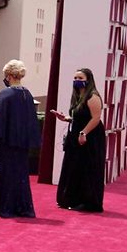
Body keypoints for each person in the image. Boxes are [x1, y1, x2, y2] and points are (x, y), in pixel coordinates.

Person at [0, 60, 41, 219]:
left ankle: (5, 206)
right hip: (22, 143)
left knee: (6, 173)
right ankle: (22, 206)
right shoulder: (27, 93)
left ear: (8, 75)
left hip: (7, 142)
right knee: (21, 174)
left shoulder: (5, 94)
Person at [53, 68, 107, 211]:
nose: (77, 80)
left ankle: (87, 202)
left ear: (88, 80)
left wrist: (84, 133)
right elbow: (79, 117)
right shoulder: (78, 96)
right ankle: (71, 199)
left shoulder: (93, 96)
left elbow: (96, 118)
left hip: (90, 138)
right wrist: (66, 118)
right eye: (75, 77)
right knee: (74, 167)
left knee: (87, 168)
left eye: (80, 78)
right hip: (76, 137)